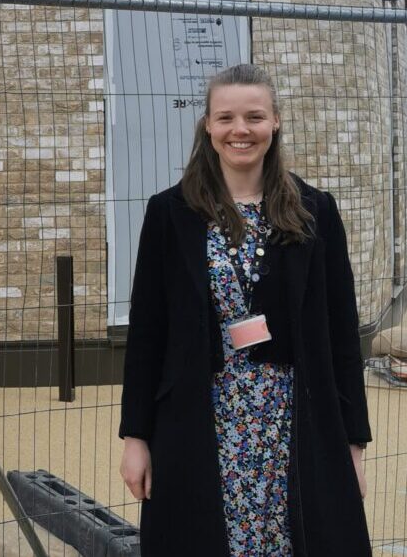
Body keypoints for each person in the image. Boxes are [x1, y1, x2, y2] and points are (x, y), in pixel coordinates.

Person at [118, 63, 372, 557]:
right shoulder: (170, 214)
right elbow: (147, 333)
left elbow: (342, 336)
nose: (241, 130)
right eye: (226, 118)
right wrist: (136, 436)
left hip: (293, 419)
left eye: (254, 117)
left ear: (274, 122)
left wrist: (353, 445)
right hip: (199, 420)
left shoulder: (315, 212)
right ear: (209, 127)